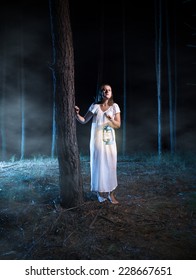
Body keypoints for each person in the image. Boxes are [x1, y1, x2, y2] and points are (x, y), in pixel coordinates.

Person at [75, 84, 121, 204]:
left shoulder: (114, 107)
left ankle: (111, 194)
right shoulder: (95, 106)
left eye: (109, 90)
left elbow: (118, 125)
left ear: (111, 93)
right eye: (104, 90)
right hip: (97, 142)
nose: (106, 91)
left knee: (111, 166)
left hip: (109, 142)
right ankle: (100, 193)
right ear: (100, 93)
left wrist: (110, 119)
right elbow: (84, 120)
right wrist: (76, 114)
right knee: (99, 166)